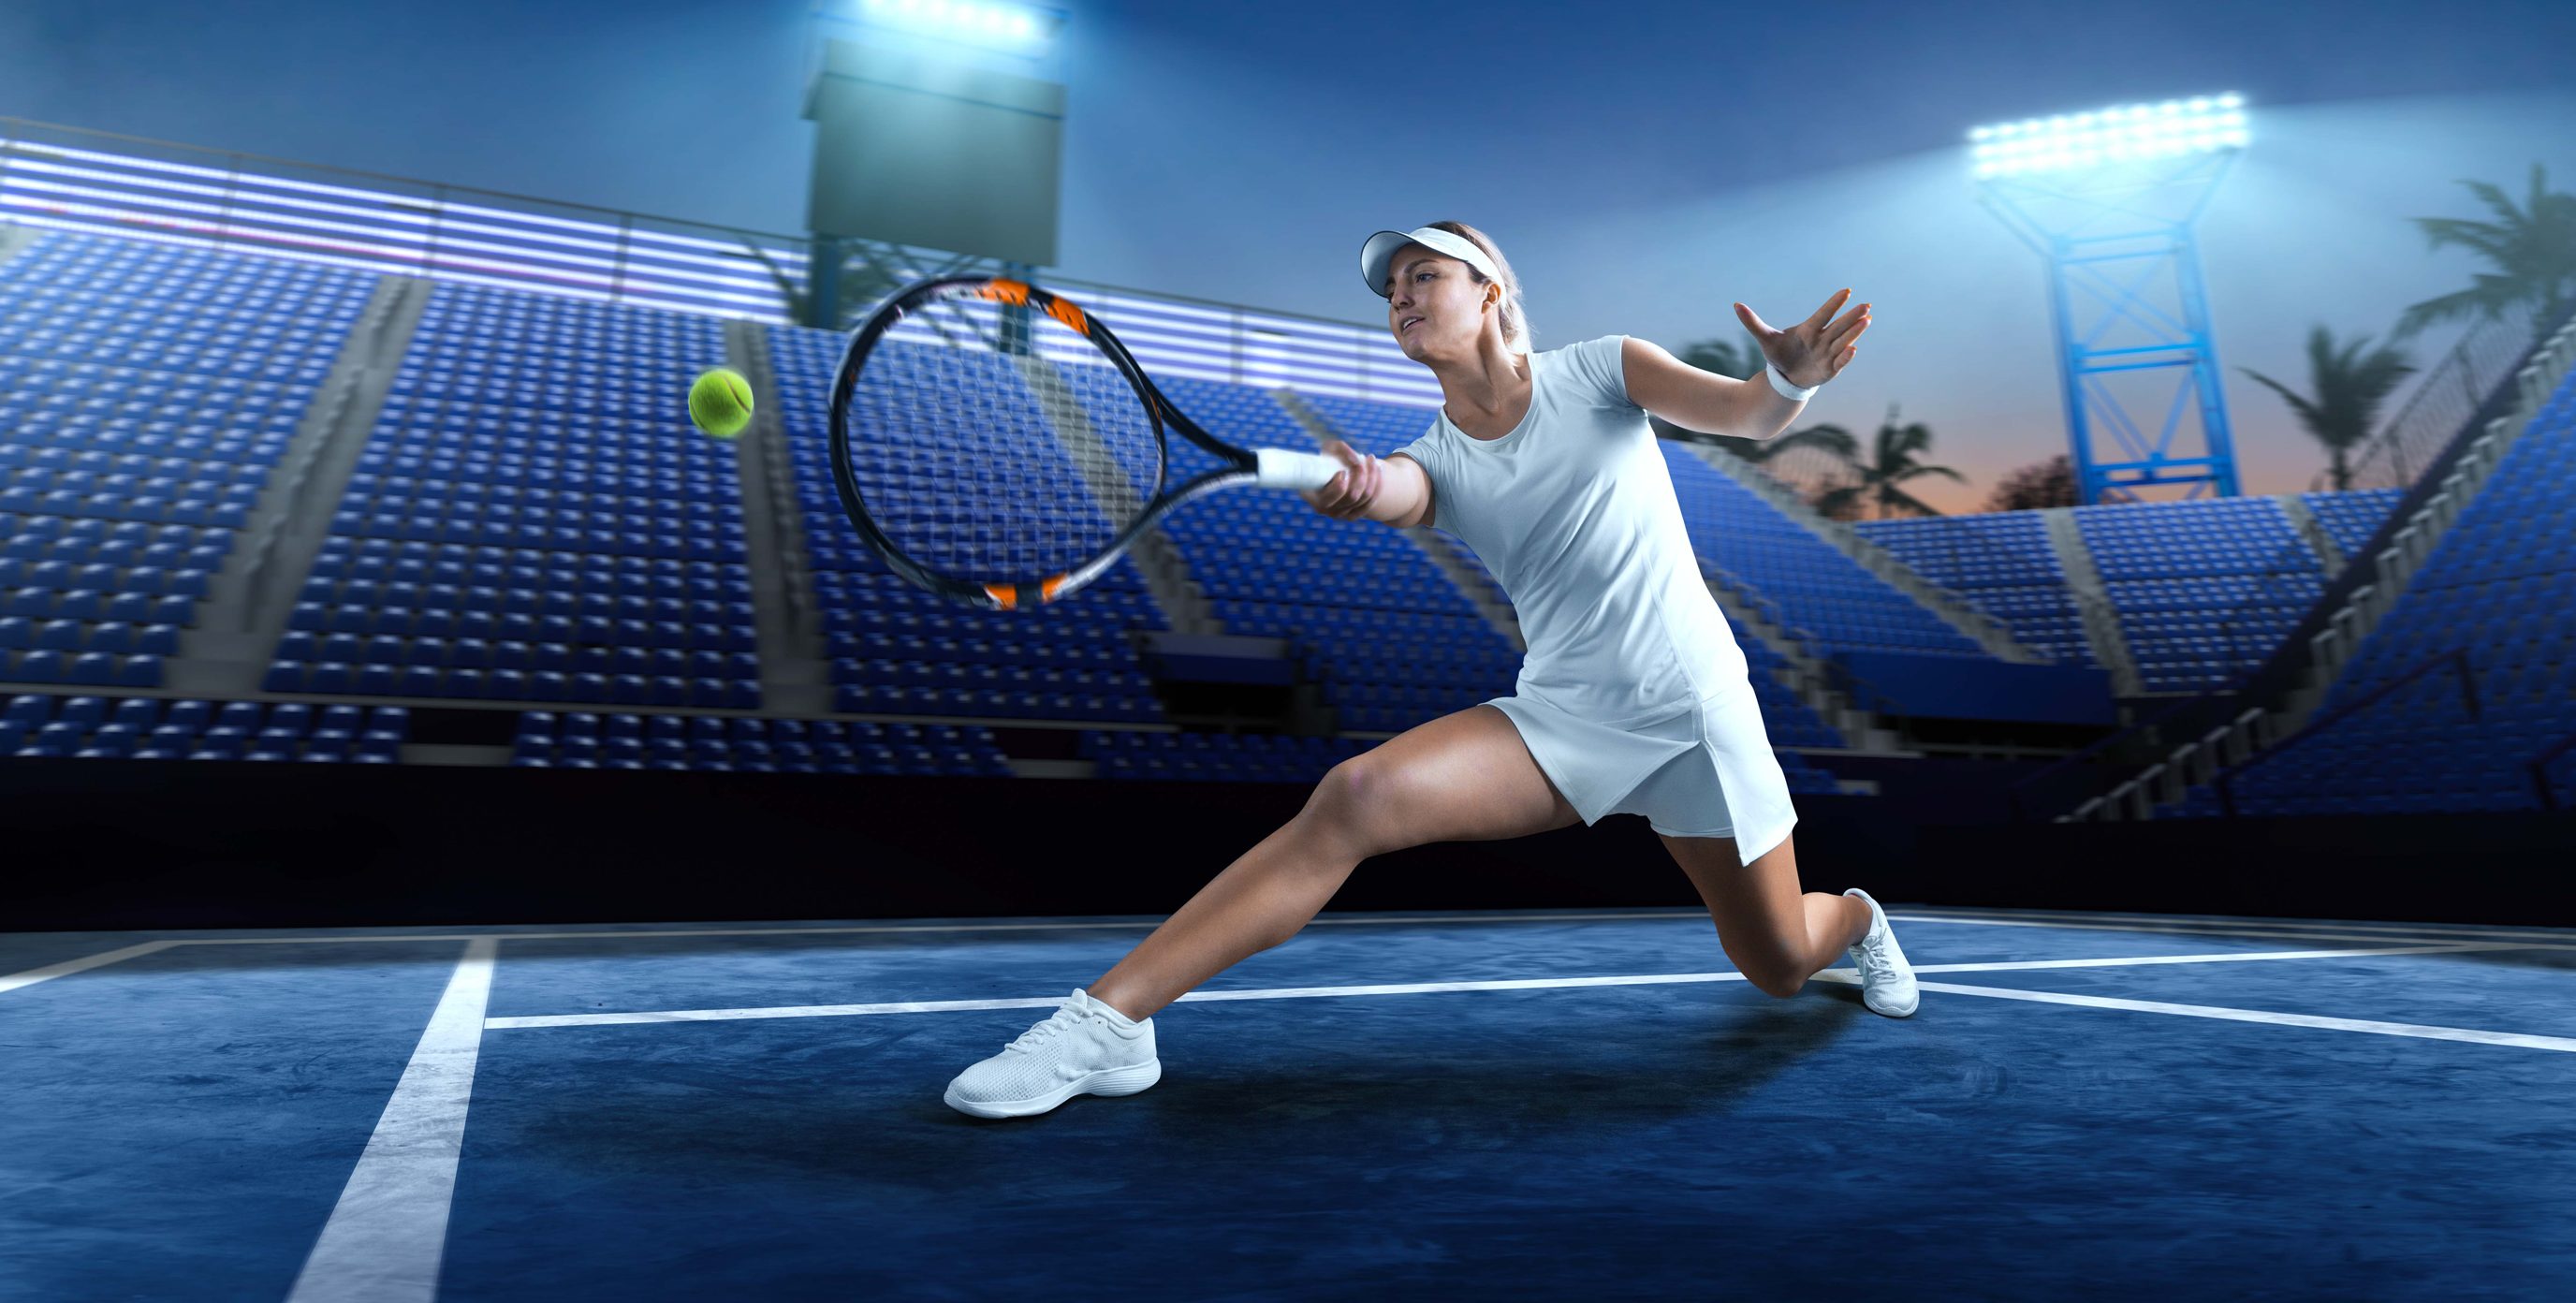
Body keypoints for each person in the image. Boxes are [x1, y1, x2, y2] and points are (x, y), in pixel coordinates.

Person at [944, 221, 1916, 1120]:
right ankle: (1109, 1024)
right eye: (1392, 289)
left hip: (1695, 713)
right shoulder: (1435, 455)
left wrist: (1785, 382)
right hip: (1566, 720)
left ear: (1490, 289)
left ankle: (1861, 918)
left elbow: (1748, 415)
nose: (1402, 297)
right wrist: (1362, 485)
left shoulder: (1601, 370)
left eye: (1425, 276)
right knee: (1356, 795)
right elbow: (1400, 489)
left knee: (1779, 963)